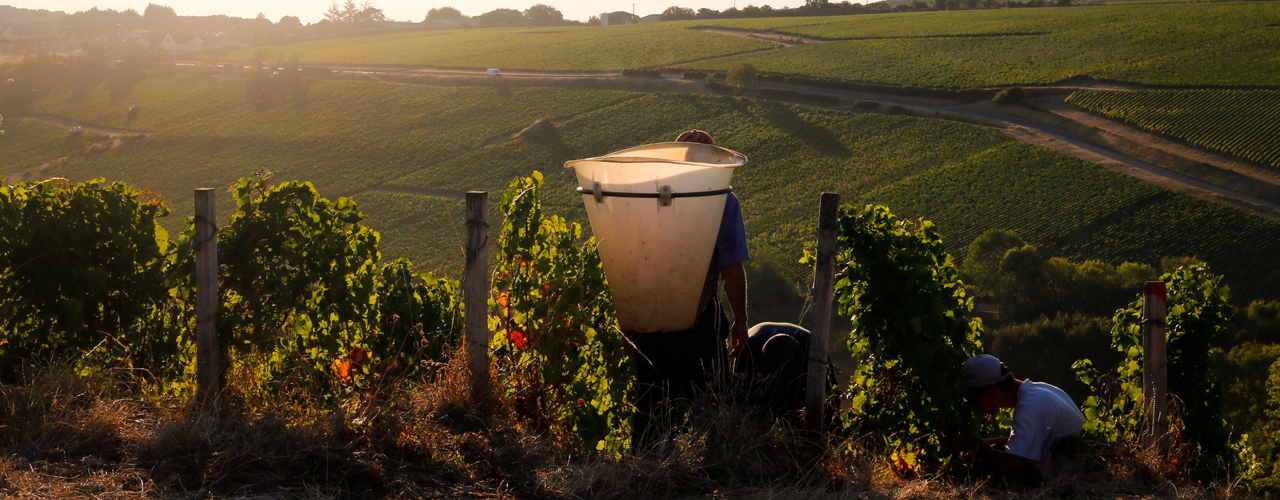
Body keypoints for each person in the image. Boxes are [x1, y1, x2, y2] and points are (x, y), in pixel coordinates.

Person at [629, 129, 751, 451]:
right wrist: (740, 320)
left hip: (651, 316)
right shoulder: (722, 198)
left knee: (652, 402)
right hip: (697, 317)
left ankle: (648, 468)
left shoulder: (645, 193)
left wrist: (630, 320)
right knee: (712, 397)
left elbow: (629, 258)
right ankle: (715, 464)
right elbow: (731, 265)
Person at [953, 354, 1087, 486]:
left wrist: (975, 443)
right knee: (997, 449)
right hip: (1084, 478)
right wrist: (985, 443)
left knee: (993, 461)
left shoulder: (1029, 407)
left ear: (992, 391)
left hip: (1073, 488)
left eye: (972, 398)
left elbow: (1011, 468)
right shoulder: (1042, 390)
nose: (971, 405)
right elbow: (1028, 442)